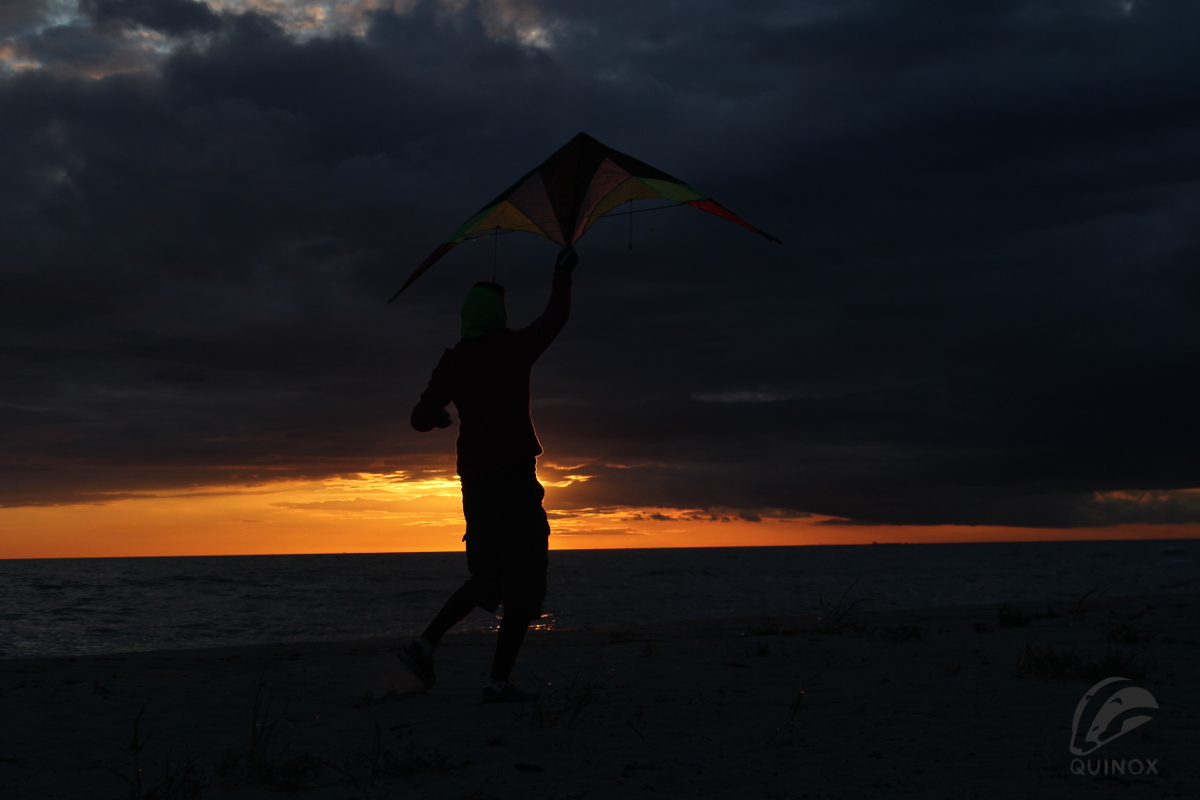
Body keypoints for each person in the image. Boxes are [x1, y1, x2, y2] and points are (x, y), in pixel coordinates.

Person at [399, 245, 578, 703]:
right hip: (514, 482)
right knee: (523, 582)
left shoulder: (454, 360)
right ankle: (497, 683)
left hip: (475, 487)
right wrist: (562, 270)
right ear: (497, 314)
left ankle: (424, 644)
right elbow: (555, 317)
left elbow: (420, 417)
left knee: (486, 579)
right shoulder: (512, 348)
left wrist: (438, 416)